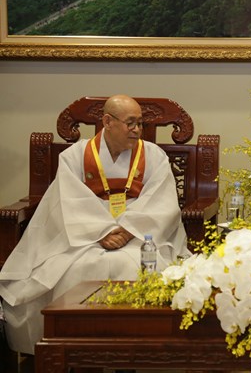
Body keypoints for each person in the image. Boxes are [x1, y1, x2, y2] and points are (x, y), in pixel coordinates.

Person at [0, 94, 190, 355]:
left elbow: (162, 203)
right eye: (130, 123)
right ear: (107, 122)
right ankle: (75, 350)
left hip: (139, 236)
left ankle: (135, 351)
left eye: (140, 124)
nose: (137, 130)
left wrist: (126, 232)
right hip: (83, 237)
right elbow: (68, 201)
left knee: (132, 266)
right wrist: (101, 232)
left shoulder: (154, 156)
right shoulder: (74, 156)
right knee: (78, 268)